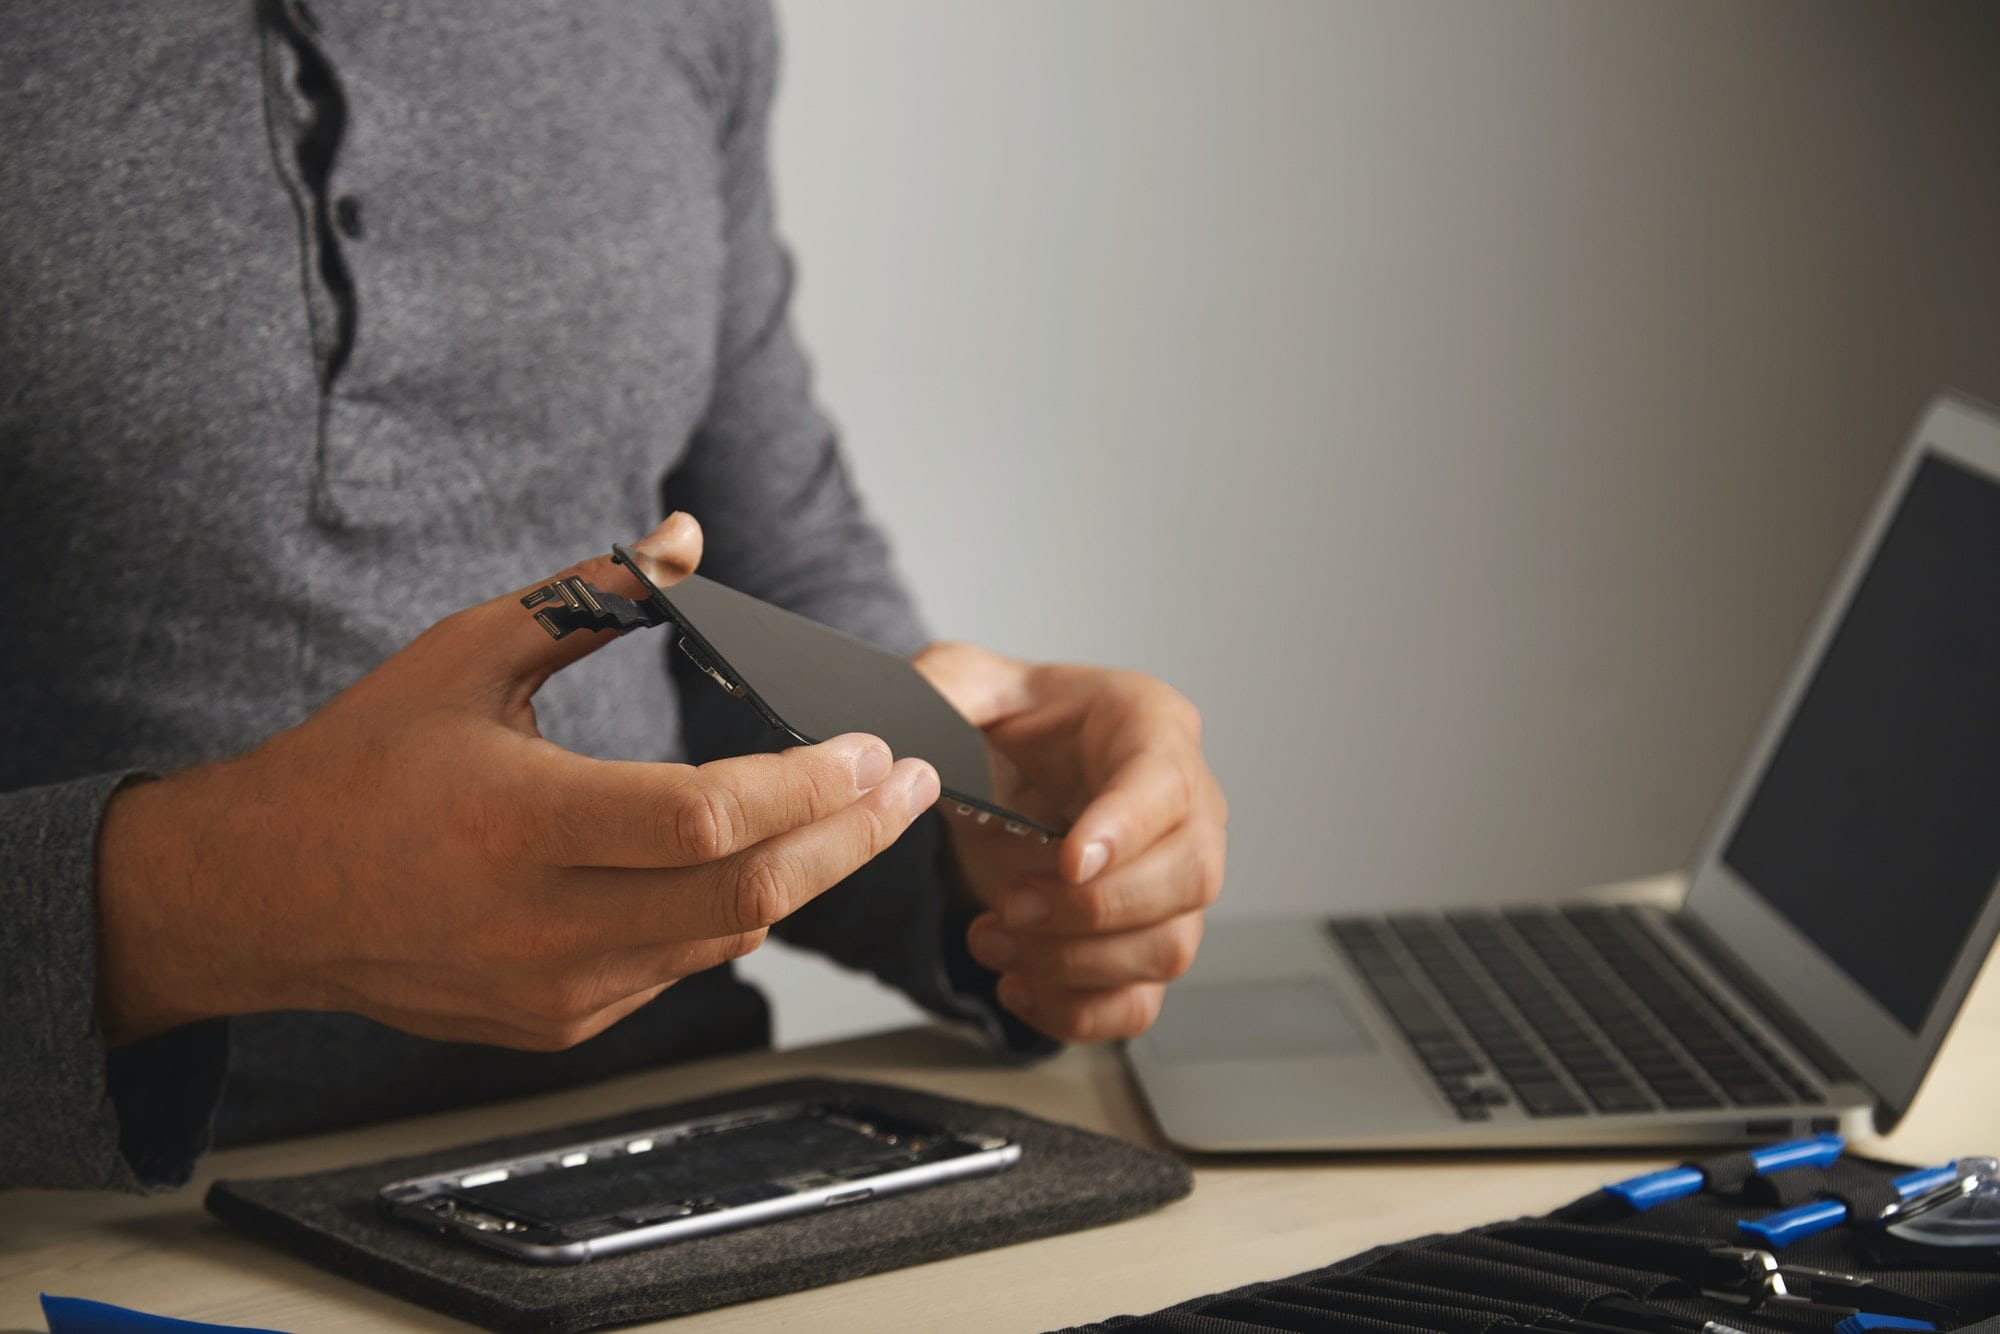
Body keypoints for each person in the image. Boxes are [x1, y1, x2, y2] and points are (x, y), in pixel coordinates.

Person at [0, 2, 1227, 1192]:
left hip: (686, 1170)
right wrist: (215, 899)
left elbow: (756, 588)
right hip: (101, 1237)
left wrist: (982, 820)